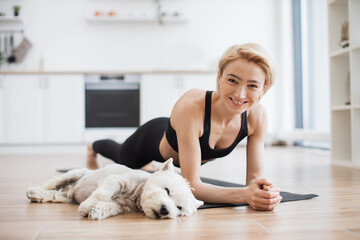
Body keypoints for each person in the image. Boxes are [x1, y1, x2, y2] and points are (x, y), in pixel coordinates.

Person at [87, 43, 282, 211]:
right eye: (232, 80)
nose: (240, 94)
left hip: (183, 141)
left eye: (252, 85)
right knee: (122, 156)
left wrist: (263, 193)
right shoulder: (191, 106)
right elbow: (191, 186)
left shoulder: (258, 116)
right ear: (220, 75)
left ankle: (149, 167)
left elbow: (253, 182)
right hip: (152, 138)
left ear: (265, 86)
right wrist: (245, 195)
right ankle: (93, 146)